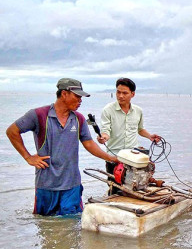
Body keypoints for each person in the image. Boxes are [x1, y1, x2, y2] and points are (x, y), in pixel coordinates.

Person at [6, 78, 118, 216]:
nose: (80, 100)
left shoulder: (79, 119)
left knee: (71, 226)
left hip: (72, 185)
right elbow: (12, 131)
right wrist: (28, 157)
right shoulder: (39, 115)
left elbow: (89, 143)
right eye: (77, 96)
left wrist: (112, 158)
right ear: (64, 94)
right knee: (45, 226)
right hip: (45, 185)